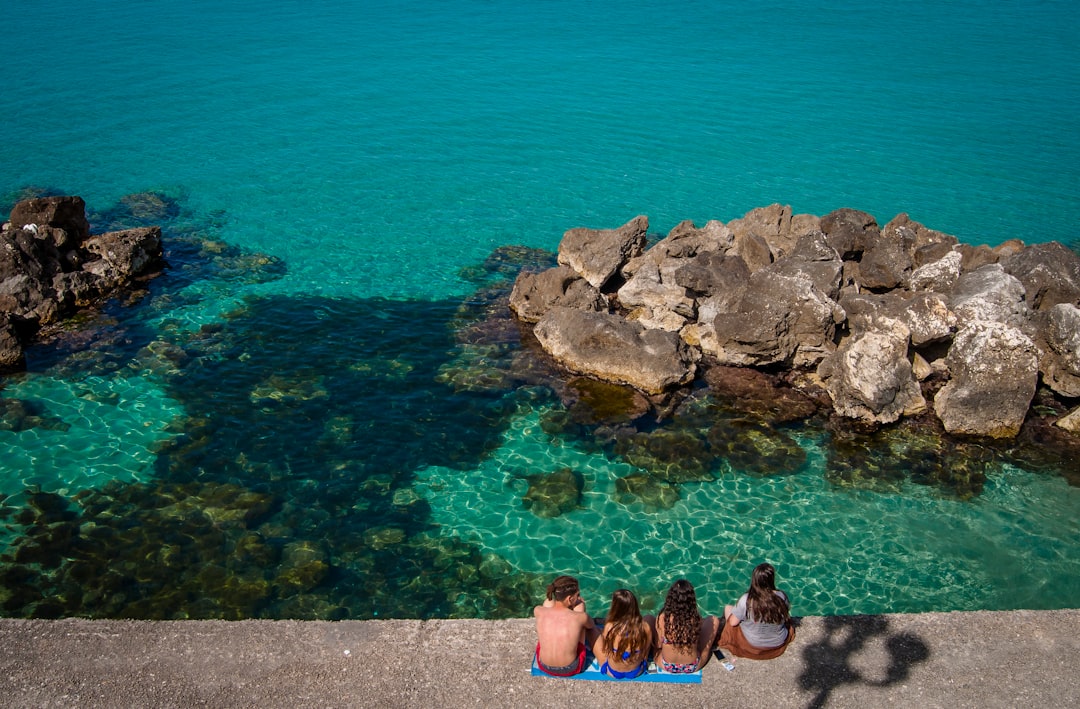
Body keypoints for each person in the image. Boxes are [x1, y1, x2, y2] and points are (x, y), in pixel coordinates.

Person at [718, 562, 795, 660]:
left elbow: (733, 623)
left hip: (753, 645)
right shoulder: (781, 596)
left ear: (754, 580)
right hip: (778, 643)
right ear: (772, 579)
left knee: (728, 608)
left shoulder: (746, 600)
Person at [533, 575, 599, 676]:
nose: (578, 597)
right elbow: (590, 626)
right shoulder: (579, 617)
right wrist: (579, 604)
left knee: (548, 602)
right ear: (570, 598)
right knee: (581, 617)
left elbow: (549, 603)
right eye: (577, 595)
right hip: (570, 668)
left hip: (543, 665)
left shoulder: (538, 610)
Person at [654, 579, 719, 673]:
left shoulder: (662, 618)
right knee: (714, 620)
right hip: (693, 666)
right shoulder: (696, 619)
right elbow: (699, 640)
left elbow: (658, 644)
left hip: (667, 666)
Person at [592, 589, 654, 679]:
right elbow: (646, 650)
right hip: (637, 671)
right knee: (649, 617)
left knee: (593, 631)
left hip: (612, 671)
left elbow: (606, 649)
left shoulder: (610, 626)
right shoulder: (644, 627)